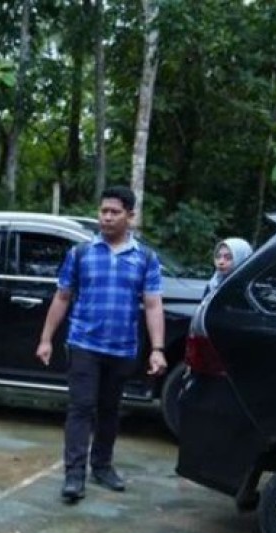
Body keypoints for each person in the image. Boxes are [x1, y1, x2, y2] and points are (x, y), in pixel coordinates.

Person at [35, 185, 166, 504]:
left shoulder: (145, 258)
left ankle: (102, 467)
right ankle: (74, 475)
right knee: (80, 408)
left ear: (130, 216)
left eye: (114, 212)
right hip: (84, 344)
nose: (106, 217)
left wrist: (158, 349)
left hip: (122, 348)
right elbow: (63, 296)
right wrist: (46, 339)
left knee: (110, 410)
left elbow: (152, 305)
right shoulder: (80, 253)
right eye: (103, 211)